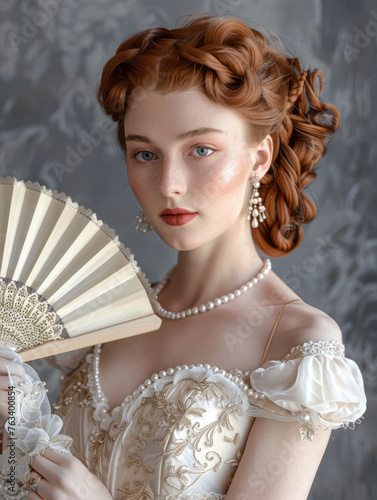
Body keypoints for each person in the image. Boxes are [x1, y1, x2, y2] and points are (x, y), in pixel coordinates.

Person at [0, 12, 367, 500]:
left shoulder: (299, 347)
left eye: (200, 150)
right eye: (145, 154)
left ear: (260, 156)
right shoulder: (103, 320)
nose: (169, 185)